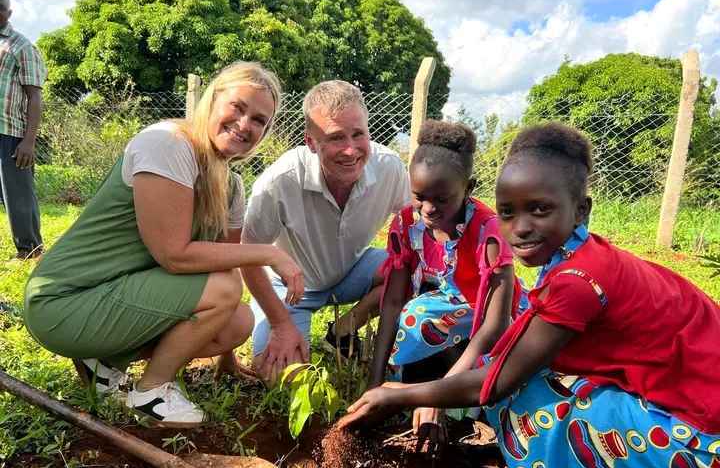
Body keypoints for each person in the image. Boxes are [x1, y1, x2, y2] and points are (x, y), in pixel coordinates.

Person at [339, 122, 720, 468]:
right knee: (545, 383)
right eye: (509, 212)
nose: (520, 228)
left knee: (523, 405)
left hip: (707, 455)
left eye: (540, 209)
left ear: (581, 209)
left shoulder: (579, 281)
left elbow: (497, 380)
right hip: (694, 416)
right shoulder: (583, 260)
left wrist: (398, 395)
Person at [24, 62, 304, 428]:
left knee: (237, 320)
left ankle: (104, 361)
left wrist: (227, 358)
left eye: (259, 120)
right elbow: (174, 255)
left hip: (112, 294)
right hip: (63, 302)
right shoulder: (168, 145)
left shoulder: (230, 185)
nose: (245, 124)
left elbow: (228, 261)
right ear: (212, 99)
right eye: (238, 107)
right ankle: (152, 390)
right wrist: (271, 252)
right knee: (223, 289)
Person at [242, 80, 410, 383]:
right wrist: (281, 325)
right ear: (310, 142)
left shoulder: (390, 168)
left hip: (352, 270)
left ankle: (344, 328)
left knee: (413, 270)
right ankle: (284, 329)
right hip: (289, 290)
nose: (351, 150)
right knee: (282, 379)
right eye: (335, 138)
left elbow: (416, 225)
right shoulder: (279, 182)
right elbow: (247, 256)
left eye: (358, 134)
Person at [367, 119, 517, 443]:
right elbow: (392, 302)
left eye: (443, 199)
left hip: (485, 315)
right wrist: (374, 382)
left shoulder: (489, 231)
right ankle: (421, 396)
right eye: (419, 196)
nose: (429, 209)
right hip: (439, 313)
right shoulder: (406, 223)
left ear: (469, 188)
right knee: (414, 318)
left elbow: (495, 325)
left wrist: (439, 394)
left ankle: (449, 405)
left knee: (499, 399)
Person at [0, 0, 45, 259]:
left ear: (9, 12)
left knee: (18, 195)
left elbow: (35, 96)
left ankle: (30, 250)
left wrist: (29, 141)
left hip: (11, 133)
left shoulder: (22, 46)